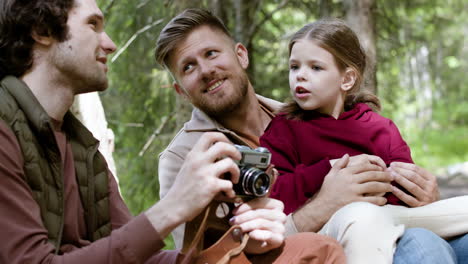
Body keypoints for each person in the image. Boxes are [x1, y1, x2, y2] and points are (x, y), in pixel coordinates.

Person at [0, 1, 346, 263]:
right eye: (93, 25)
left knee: (316, 250)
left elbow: (136, 254)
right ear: (42, 32)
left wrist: (240, 241)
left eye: (212, 53)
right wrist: (176, 205)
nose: (109, 44)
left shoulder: (80, 145)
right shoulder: (4, 129)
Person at [156, 8, 468, 264]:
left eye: (212, 53)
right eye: (188, 68)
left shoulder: (302, 112)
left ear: (241, 55)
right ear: (180, 90)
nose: (206, 70)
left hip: (379, 230)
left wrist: (423, 194)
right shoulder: (182, 158)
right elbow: (204, 260)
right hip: (317, 250)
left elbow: (394, 171)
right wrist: (325, 201)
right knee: (422, 244)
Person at [259, 19, 468, 263]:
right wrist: (327, 170)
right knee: (373, 219)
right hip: (339, 227)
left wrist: (414, 190)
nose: (300, 77)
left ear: (346, 79)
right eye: (294, 67)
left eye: (315, 68)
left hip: (394, 219)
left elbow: (406, 197)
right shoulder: (285, 128)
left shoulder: (380, 128)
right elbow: (274, 194)